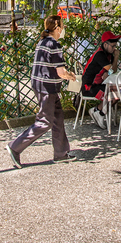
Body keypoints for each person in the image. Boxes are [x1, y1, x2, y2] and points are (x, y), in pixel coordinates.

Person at [6, 15, 77, 168]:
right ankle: (15, 147)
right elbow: (61, 72)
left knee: (58, 118)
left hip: (41, 85)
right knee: (44, 122)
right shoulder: (54, 44)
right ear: (57, 28)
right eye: (62, 26)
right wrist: (70, 76)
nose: (63, 29)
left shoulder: (42, 42)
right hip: (48, 87)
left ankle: (61, 153)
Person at [80, 31, 121, 130]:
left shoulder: (108, 54)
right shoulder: (100, 55)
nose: (114, 48)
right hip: (89, 87)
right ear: (105, 44)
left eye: (115, 46)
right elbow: (113, 69)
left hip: (99, 84)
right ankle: (99, 113)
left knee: (118, 93)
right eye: (113, 46)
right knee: (113, 95)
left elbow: (111, 71)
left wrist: (109, 72)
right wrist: (116, 57)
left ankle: (98, 111)